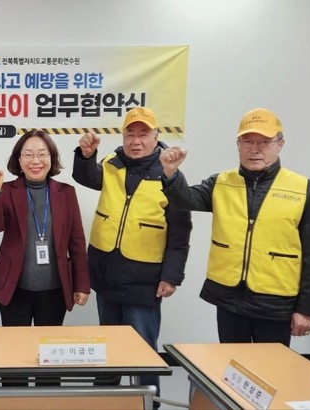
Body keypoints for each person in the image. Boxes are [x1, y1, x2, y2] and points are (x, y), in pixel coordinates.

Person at [160, 108, 310, 346]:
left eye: (264, 142)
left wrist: (306, 309)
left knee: (270, 366)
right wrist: (170, 173)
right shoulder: (221, 183)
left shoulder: (304, 190)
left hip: (274, 302)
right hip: (228, 298)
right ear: (238, 145)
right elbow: (184, 200)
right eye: (248, 141)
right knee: (232, 363)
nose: (255, 149)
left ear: (280, 144)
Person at [73, 107, 192, 404]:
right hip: (107, 272)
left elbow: (180, 233)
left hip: (144, 278)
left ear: (156, 136)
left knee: (143, 349)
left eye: (143, 134)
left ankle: (148, 403)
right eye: (130, 134)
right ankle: (105, 401)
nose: (136, 141)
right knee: (107, 345)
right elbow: (87, 177)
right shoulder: (111, 163)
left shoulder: (169, 174)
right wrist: (86, 156)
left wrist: (171, 276)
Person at [0, 129, 90, 387]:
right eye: (28, 154)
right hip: (15, 287)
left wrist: (82, 284)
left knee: (50, 358)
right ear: (18, 160)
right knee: (14, 357)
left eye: (42, 154)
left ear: (51, 158)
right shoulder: (6, 190)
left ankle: (48, 400)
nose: (35, 161)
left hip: (54, 289)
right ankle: (14, 399)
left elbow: (76, 242)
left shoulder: (66, 193)